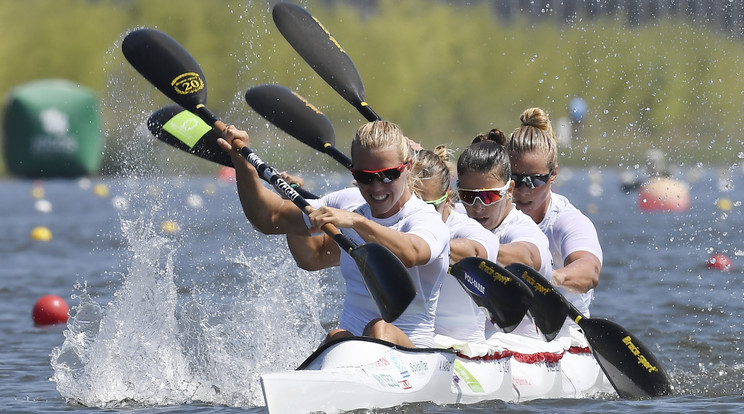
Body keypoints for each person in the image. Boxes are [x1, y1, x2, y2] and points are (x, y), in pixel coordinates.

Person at [217, 120, 450, 348]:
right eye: (365, 177)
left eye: (388, 175)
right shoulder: (347, 202)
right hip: (349, 349)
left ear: (407, 167)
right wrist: (241, 163)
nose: (377, 187)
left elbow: (412, 252)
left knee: (380, 329)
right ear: (354, 172)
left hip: (414, 357)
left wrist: (357, 222)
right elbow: (270, 218)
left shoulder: (425, 219)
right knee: (337, 337)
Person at [455, 130, 553, 340]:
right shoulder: (456, 216)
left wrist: (450, 250)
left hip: (523, 350)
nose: (478, 207)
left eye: (489, 196)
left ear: (509, 189)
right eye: (467, 196)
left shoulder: (522, 229)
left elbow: (528, 256)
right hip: (473, 345)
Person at [505, 107, 602, 319]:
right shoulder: (491, 210)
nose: (523, 190)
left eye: (535, 180)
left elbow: (590, 270)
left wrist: (549, 278)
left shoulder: (567, 221)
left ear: (553, 175)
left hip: (562, 331)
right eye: (515, 179)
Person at [409, 146, 500, 344]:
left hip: (464, 352)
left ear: (448, 199)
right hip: (411, 344)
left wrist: (423, 249)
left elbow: (480, 250)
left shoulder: (466, 229)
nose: (419, 214)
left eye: (428, 207)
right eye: (412, 205)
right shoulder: (398, 222)